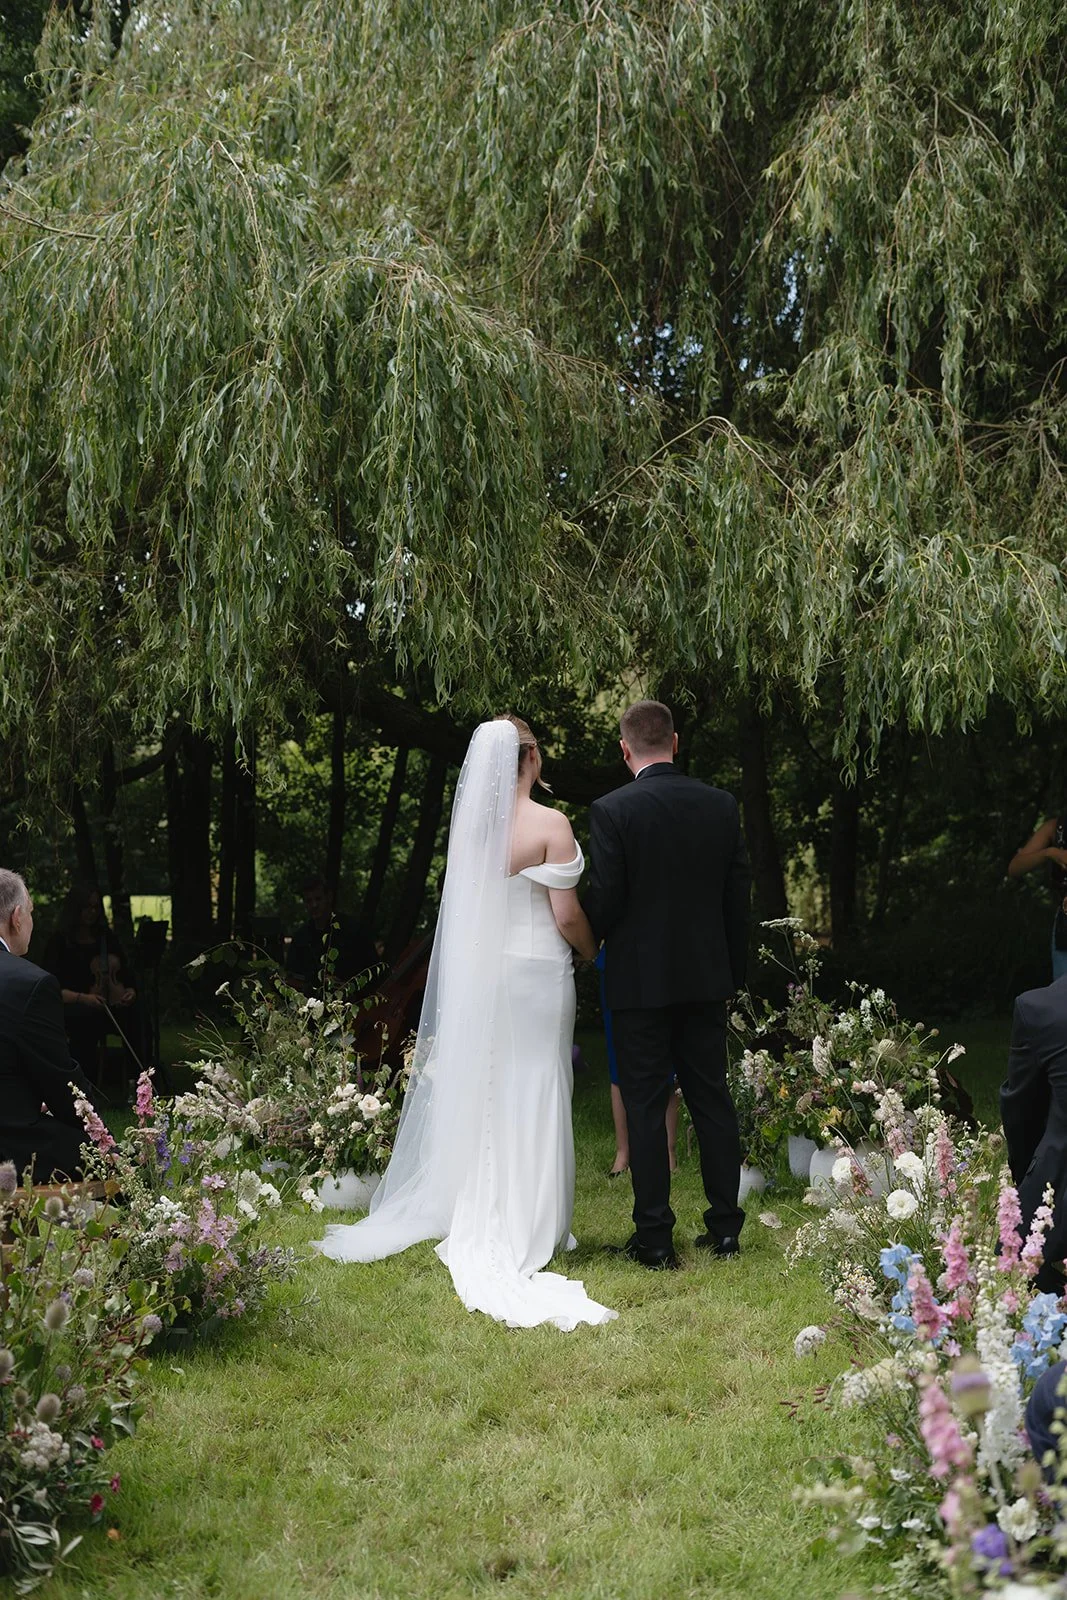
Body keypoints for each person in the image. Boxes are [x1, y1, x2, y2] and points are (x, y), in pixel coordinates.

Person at [314, 716, 616, 1331]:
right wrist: (594, 950)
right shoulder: (551, 825)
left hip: (489, 976)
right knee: (538, 1080)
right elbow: (565, 916)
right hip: (537, 975)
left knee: (494, 1084)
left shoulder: (474, 827)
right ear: (531, 759)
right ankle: (535, 1222)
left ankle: (486, 1201)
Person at [584, 700, 751, 1270]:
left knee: (646, 1105)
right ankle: (726, 1229)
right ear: (675, 742)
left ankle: (655, 1238)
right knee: (712, 1098)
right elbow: (737, 900)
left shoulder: (611, 811)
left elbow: (603, 900)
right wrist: (736, 974)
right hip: (707, 979)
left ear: (626, 750)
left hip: (639, 984)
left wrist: (589, 944)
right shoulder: (721, 806)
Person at [0, 869, 100, 1181]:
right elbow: (61, 1083)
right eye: (31, 913)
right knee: (113, 1162)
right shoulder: (30, 984)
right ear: (17, 917)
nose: (31, 922)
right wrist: (103, 1137)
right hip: (11, 1145)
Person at [1000, 974, 1067, 1294]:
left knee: (1010, 1271)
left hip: (1058, 1195)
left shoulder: (1042, 1009)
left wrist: (1027, 1185)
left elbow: (1020, 1116)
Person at [42, 882, 138, 1084]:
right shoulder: (60, 942)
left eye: (95, 907)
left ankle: (136, 1077)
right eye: (87, 907)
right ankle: (85, 1081)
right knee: (85, 1022)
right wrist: (84, 998)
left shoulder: (106, 937)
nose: (92, 912)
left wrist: (130, 991)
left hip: (108, 1002)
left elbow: (126, 974)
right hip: (74, 1003)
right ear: (75, 909)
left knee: (138, 1018)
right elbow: (51, 987)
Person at [596, 947, 679, 1178]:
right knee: (619, 1057)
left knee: (668, 1058)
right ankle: (623, 1153)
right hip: (619, 962)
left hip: (665, 962)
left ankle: (668, 1151)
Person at [285, 875, 379, 993]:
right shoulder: (301, 938)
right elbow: (292, 978)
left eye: (318, 899)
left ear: (329, 897)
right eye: (309, 901)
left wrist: (348, 987)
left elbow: (374, 970)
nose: (314, 905)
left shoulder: (354, 930)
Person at [1008, 817, 1067, 979]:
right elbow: (1015, 868)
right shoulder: (1057, 827)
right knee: (1063, 998)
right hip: (1065, 925)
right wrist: (1049, 853)